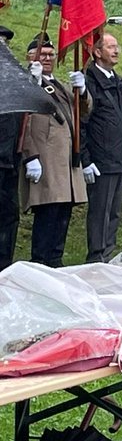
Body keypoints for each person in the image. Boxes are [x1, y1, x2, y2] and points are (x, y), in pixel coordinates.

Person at [20, 34, 91, 267]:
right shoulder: (27, 82)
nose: (47, 58)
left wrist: (82, 91)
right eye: (41, 54)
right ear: (30, 57)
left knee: (62, 212)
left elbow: (83, 110)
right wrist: (30, 155)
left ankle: (55, 259)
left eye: (51, 54)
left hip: (67, 160)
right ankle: (41, 261)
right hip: (46, 158)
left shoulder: (57, 83)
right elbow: (24, 123)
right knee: (47, 213)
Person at [81, 32, 122, 262]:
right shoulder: (90, 82)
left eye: (117, 46)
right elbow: (82, 122)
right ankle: (97, 255)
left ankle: (107, 251)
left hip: (119, 156)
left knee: (114, 211)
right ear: (97, 52)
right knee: (101, 210)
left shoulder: (117, 81)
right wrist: (85, 159)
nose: (116, 50)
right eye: (110, 47)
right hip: (101, 157)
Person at [0, 25, 19, 269]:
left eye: (6, 45)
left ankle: (6, 265)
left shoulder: (14, 78)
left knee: (9, 216)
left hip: (10, 160)